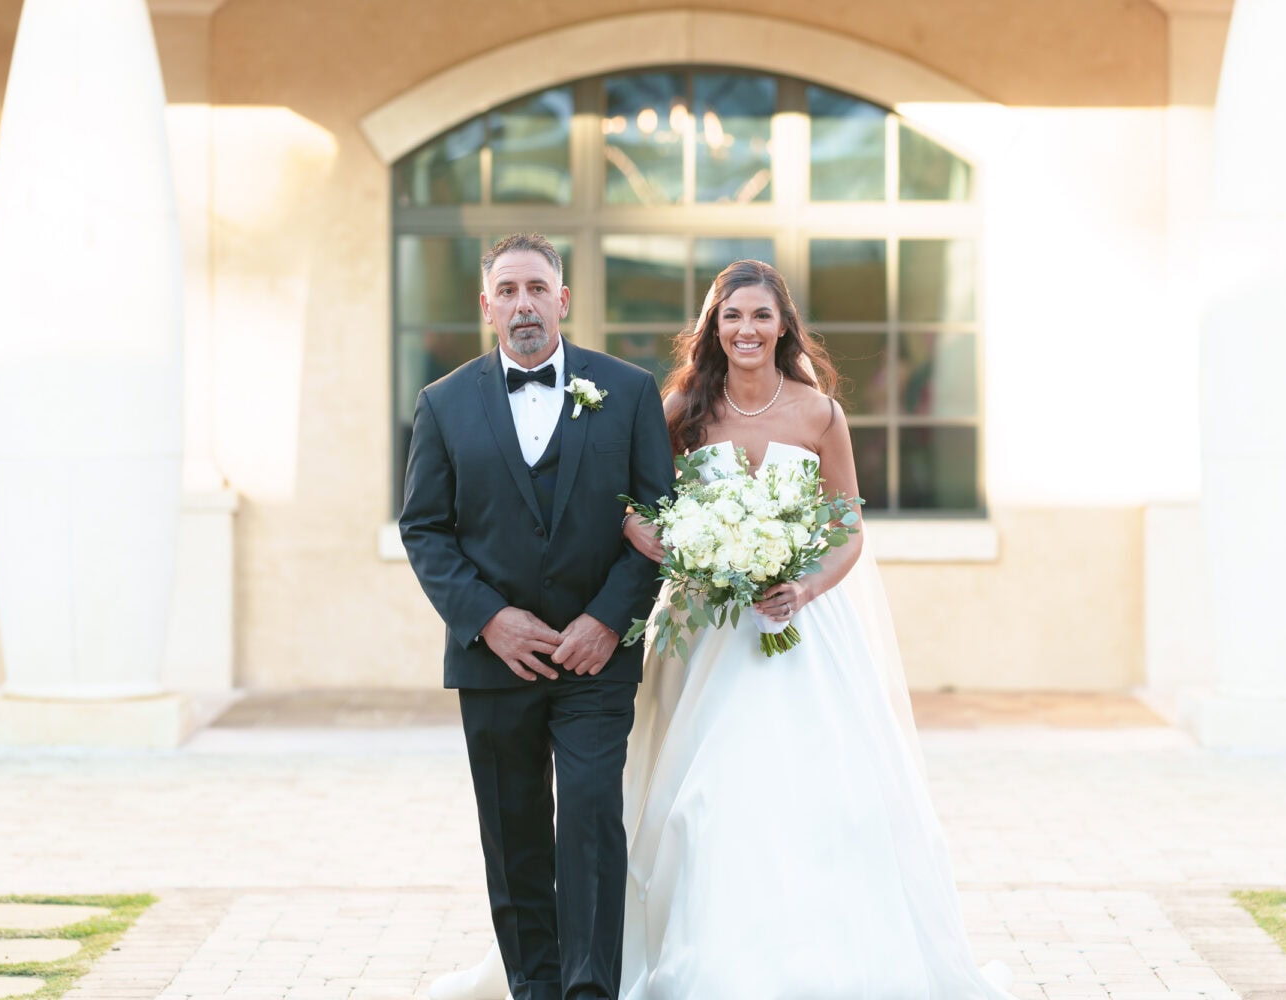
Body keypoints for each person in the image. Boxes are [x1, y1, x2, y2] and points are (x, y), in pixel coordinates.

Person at [428, 259, 1013, 999]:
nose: (746, 329)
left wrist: (802, 585)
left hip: (800, 631)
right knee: (701, 800)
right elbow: (637, 504)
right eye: (732, 316)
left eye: (761, 316)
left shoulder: (819, 413)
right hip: (707, 632)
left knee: (829, 796)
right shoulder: (679, 411)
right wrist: (674, 544)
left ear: (783, 325)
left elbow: (848, 527)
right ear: (714, 326)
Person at [400, 233, 676, 1000]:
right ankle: (535, 988)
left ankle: (592, 991)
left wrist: (607, 620)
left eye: (537, 288)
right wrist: (488, 619)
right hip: (495, 663)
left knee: (590, 824)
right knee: (514, 831)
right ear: (485, 305)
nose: (524, 304)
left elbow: (658, 517)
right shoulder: (443, 403)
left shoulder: (626, 391)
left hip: (597, 661)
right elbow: (424, 528)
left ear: (564, 299)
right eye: (508, 290)